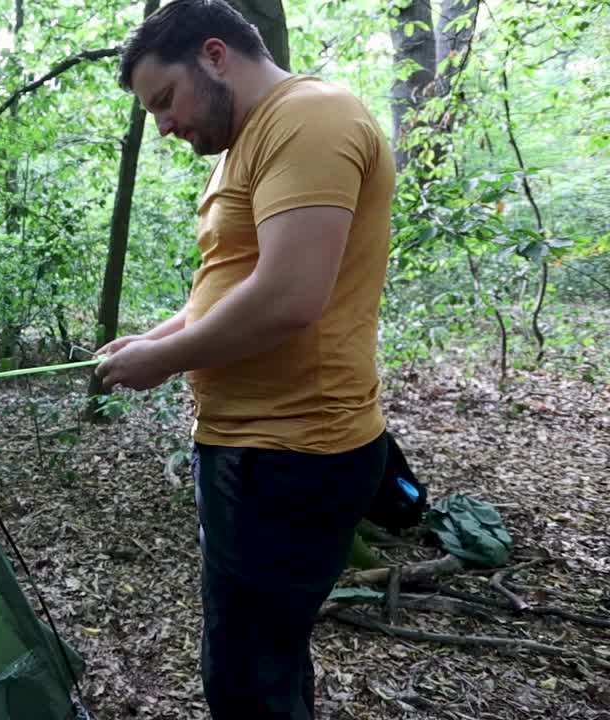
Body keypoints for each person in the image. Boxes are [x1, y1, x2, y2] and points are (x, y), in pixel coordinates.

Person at [92, 1, 396, 718]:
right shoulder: (247, 141)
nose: (164, 124)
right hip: (249, 449)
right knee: (262, 657)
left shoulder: (312, 120)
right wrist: (155, 339)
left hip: (294, 454)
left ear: (216, 55)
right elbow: (232, 278)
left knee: (248, 680)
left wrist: (164, 361)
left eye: (165, 99)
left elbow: (290, 295)